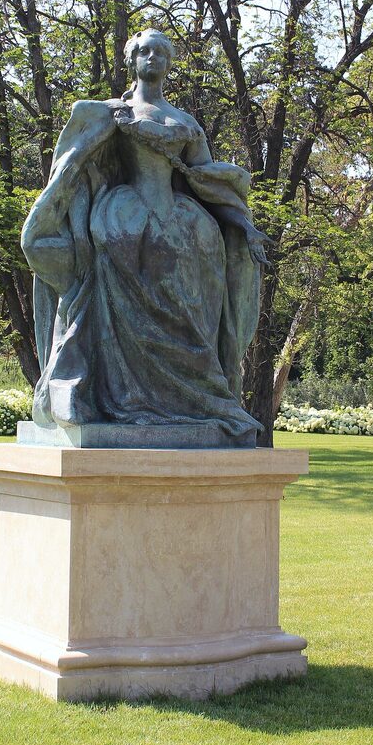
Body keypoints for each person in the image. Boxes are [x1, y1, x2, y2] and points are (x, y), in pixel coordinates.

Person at [21, 28, 268, 441]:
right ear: (133, 60)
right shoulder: (113, 113)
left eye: (161, 53)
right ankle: (119, 393)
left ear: (169, 63)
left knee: (193, 306)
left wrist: (245, 226)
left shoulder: (186, 122)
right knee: (118, 276)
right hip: (126, 215)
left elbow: (207, 182)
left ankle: (194, 397)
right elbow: (75, 163)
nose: (153, 58)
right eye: (145, 51)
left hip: (184, 223)